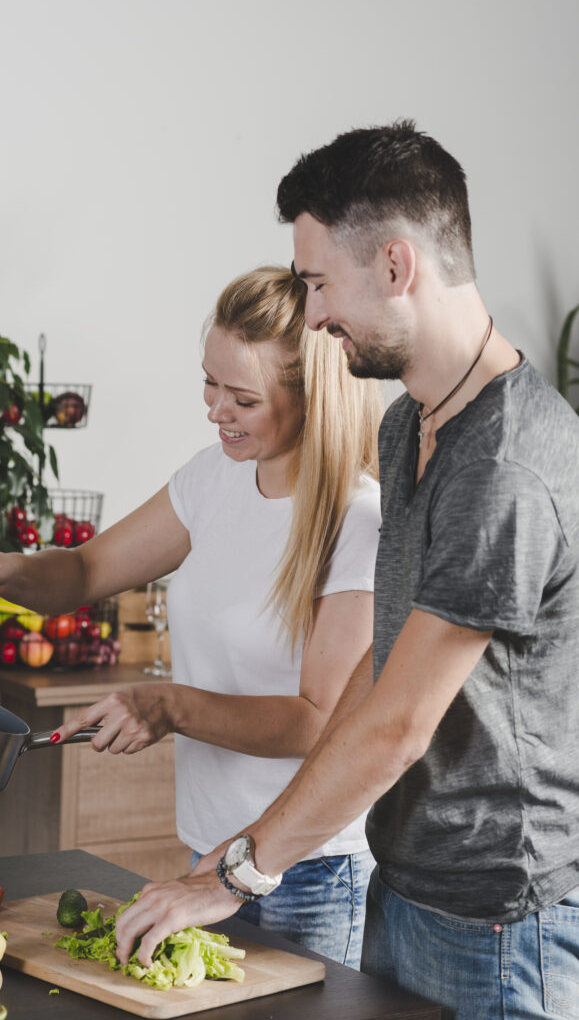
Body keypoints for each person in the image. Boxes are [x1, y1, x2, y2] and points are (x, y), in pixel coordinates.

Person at [111, 122, 579, 1020]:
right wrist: (250, 844)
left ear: (396, 265)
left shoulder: (505, 463)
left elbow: (398, 721)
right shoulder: (408, 426)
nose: (313, 312)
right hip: (403, 886)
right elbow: (379, 675)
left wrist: (244, 872)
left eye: (319, 282)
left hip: (500, 920)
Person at [0, 265, 385, 968]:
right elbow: (88, 570)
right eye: (209, 383)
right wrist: (7, 571)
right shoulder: (215, 477)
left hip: (309, 870)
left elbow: (317, 721)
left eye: (241, 397)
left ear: (311, 400)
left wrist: (170, 706)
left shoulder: (357, 521)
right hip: (208, 850)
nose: (215, 410)